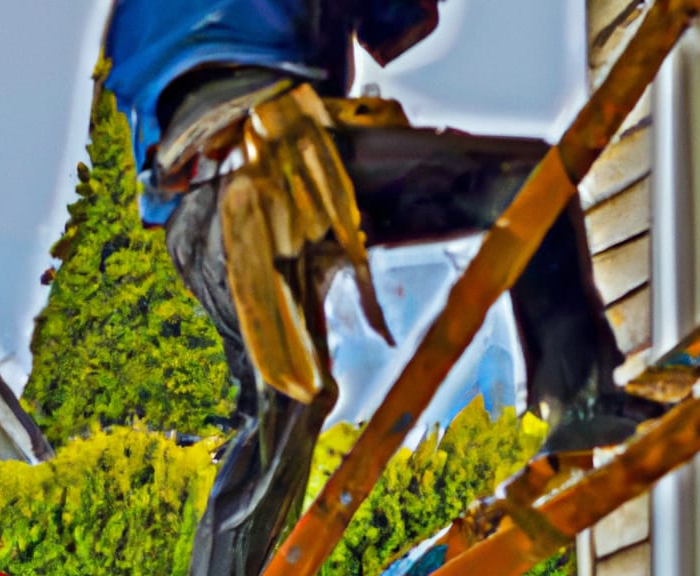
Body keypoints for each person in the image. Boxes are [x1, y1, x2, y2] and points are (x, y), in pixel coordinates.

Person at [99, 2, 659, 573]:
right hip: (275, 168)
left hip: (192, 215)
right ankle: (580, 395)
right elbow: (393, 23)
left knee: (283, 406)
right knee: (529, 187)